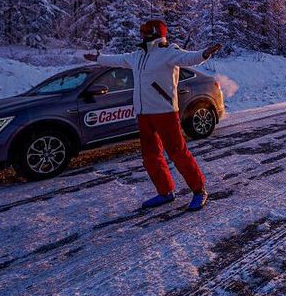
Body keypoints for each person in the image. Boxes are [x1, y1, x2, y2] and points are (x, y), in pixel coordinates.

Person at [94, 20, 221, 211]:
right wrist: (98, 58)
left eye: (147, 30)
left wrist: (204, 54)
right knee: (150, 156)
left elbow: (188, 58)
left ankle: (199, 190)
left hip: (165, 112)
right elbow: (117, 60)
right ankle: (165, 191)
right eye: (141, 30)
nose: (143, 34)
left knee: (177, 152)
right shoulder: (137, 56)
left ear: (157, 32)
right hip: (143, 114)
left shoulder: (168, 52)